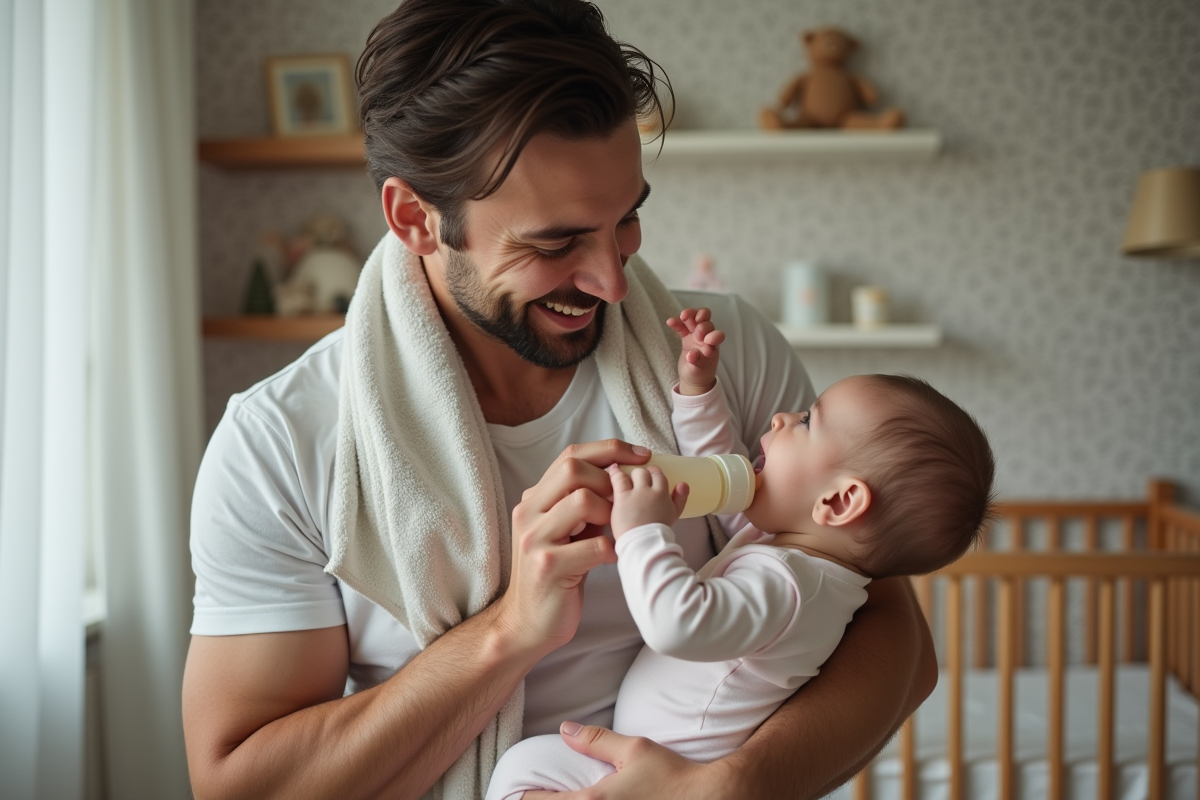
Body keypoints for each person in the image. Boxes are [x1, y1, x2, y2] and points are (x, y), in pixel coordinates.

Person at [181, 2, 937, 799]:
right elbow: (240, 786)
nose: (613, 282)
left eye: (628, 219)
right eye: (554, 243)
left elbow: (895, 639)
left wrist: (727, 790)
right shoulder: (282, 442)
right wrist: (509, 630)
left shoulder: (721, 353)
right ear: (417, 219)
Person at [486, 307, 996, 799]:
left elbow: (679, 624)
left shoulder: (792, 590)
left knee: (520, 768)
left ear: (838, 501)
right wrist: (698, 390)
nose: (779, 418)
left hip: (679, 775)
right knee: (524, 767)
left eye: (806, 422)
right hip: (651, 759)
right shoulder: (789, 549)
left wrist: (643, 530)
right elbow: (722, 474)